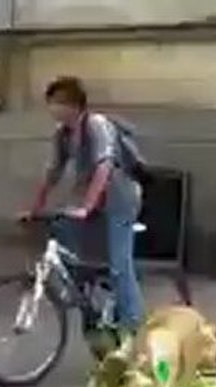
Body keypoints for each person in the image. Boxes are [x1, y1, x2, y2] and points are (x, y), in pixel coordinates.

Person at [25, 75, 145, 333]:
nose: (53, 108)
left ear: (75, 105)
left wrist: (87, 207)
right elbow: (52, 173)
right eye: (51, 103)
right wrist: (34, 209)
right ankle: (91, 301)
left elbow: (105, 166)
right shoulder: (63, 135)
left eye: (59, 102)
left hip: (119, 198)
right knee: (70, 241)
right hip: (94, 198)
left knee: (119, 265)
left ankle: (133, 325)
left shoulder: (96, 125)